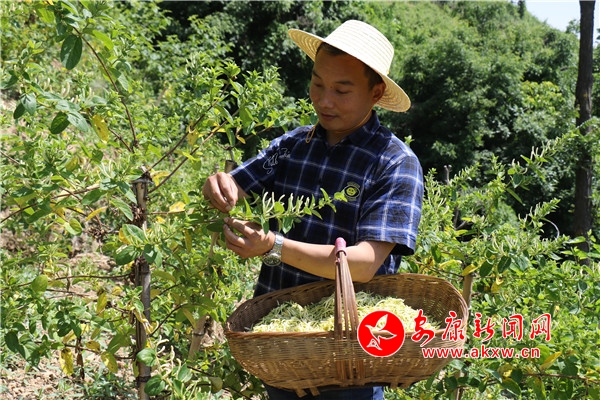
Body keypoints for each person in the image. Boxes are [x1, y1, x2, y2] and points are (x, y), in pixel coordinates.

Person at [202, 19, 423, 400]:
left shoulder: (394, 163)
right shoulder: (293, 145)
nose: (324, 100)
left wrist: (273, 246)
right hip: (282, 346)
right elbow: (238, 184)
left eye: (341, 90)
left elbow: (364, 264)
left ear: (376, 92)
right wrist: (220, 186)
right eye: (317, 84)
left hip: (350, 358)